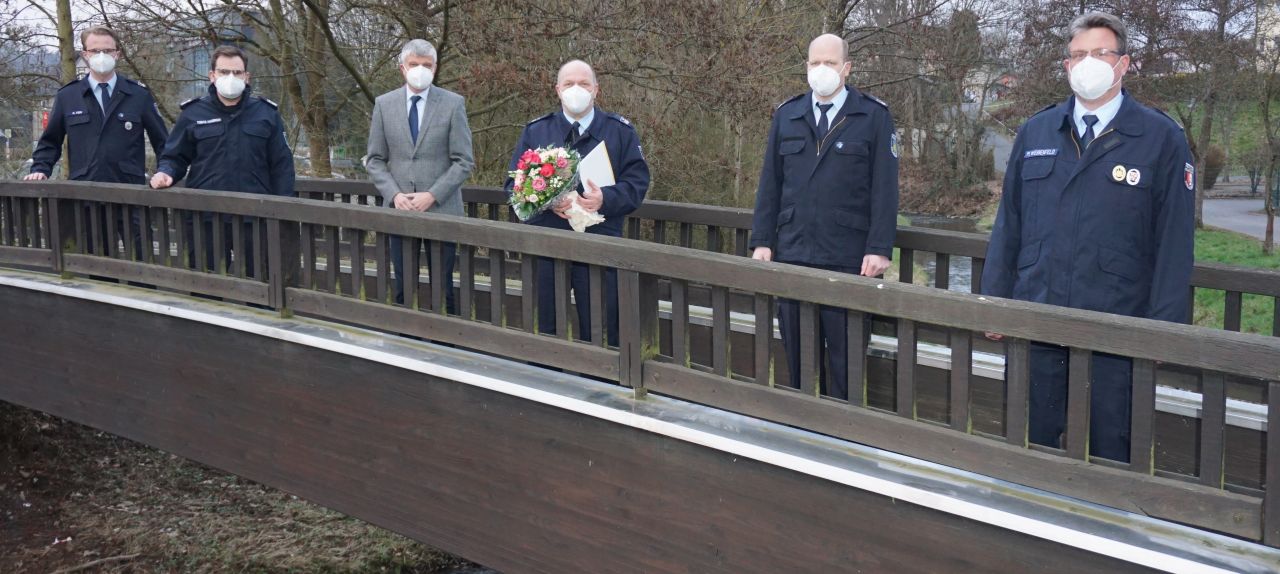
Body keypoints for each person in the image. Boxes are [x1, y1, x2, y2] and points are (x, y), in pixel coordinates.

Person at [981, 12, 1195, 463]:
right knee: (1030, 443)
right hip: (1037, 316)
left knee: (1111, 450)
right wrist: (995, 301)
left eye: (1100, 53)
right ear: (1066, 66)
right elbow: (1010, 223)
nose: (1088, 63)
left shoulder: (1161, 138)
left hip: (1116, 327)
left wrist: (1163, 330)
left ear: (1124, 64)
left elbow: (1175, 242)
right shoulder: (1037, 131)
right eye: (1078, 55)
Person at [748, 34, 899, 401]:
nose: (821, 70)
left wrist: (879, 248)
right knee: (799, 362)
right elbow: (770, 184)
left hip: (848, 258)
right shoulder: (787, 115)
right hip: (793, 252)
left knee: (846, 364)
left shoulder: (873, 116)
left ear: (846, 68)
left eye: (830, 63)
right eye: (815, 62)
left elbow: (885, 188)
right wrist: (762, 241)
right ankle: (803, 439)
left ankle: (844, 442)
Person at [504, 60, 650, 346]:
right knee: (546, 327)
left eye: (584, 84)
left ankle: (601, 387)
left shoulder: (620, 132)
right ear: (557, 89)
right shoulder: (536, 132)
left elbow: (637, 186)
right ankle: (547, 383)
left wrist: (605, 198)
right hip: (548, 245)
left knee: (603, 330)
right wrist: (546, 201)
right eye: (569, 83)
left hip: (600, 247)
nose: (576, 89)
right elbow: (512, 188)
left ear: (596, 89)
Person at [149, 45, 295, 277]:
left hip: (254, 218)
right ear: (212, 75)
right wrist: (166, 172)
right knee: (206, 284)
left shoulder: (266, 113)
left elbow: (282, 165)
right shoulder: (193, 113)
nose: (231, 78)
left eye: (237, 73)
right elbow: (174, 156)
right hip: (205, 216)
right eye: (224, 71)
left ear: (247, 77)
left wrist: (282, 209)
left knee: (259, 284)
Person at [27, 26, 168, 256]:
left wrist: (165, 171)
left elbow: (164, 143)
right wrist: (40, 169)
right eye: (95, 50)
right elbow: (50, 142)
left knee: (142, 266)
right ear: (84, 54)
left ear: (118, 54)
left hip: (131, 194)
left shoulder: (138, 95)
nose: (101, 56)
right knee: (95, 267)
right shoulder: (68, 96)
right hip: (86, 196)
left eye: (108, 50)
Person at [365, 39, 474, 310]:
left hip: (442, 210)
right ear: (402, 68)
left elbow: (464, 161)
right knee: (402, 286)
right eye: (414, 64)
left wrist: (433, 195)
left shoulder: (453, 104)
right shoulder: (383, 104)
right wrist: (394, 195)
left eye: (426, 65)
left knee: (443, 286)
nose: (420, 70)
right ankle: (404, 340)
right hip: (400, 210)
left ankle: (445, 344)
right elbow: (375, 159)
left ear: (435, 68)